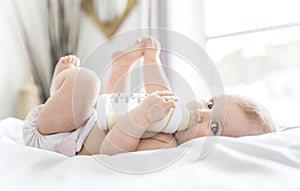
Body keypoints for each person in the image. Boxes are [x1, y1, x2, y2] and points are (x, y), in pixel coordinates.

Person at [23, 36, 276, 156]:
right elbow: (159, 87)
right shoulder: (172, 113)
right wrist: (152, 59)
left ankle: (61, 86)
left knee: (88, 82)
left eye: (213, 126)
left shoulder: (165, 145)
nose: (201, 112)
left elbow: (110, 149)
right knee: (107, 99)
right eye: (210, 104)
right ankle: (90, 78)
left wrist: (141, 118)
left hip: (56, 137)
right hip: (85, 118)